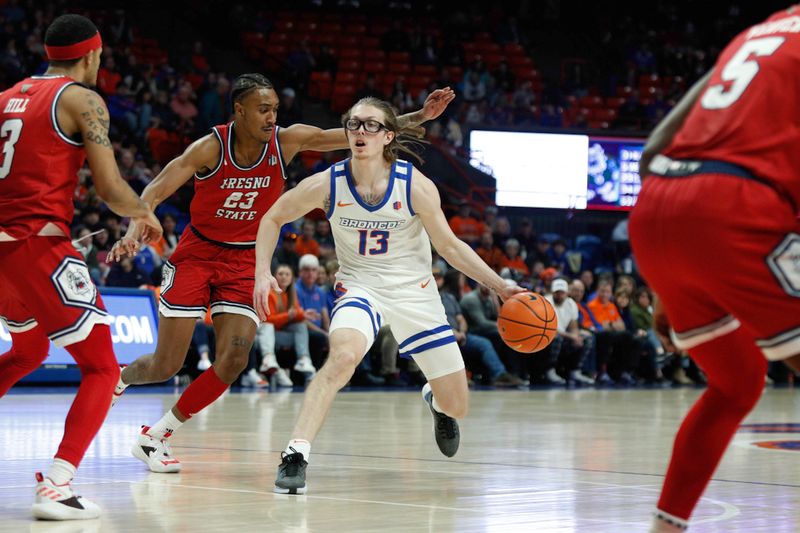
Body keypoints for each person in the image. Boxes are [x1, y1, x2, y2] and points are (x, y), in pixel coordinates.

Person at [109, 74, 455, 474]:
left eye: (275, 108)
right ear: (239, 111)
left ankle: (155, 437)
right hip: (198, 254)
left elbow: (348, 136)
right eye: (263, 109)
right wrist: (136, 226)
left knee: (235, 358)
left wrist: (421, 116)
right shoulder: (210, 147)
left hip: (245, 261)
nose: (272, 116)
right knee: (165, 365)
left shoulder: (286, 141)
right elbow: (154, 189)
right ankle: (120, 378)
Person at [253, 96, 524, 495]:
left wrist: (500, 286)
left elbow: (448, 246)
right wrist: (261, 270)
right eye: (353, 124)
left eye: (370, 126)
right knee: (342, 357)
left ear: (388, 136)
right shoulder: (328, 183)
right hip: (360, 285)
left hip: (414, 290)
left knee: (458, 405)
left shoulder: (414, 184)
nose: (360, 132)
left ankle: (435, 399)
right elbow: (273, 216)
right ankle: (296, 453)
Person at [629, 6, 800, 531]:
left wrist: (671, 276)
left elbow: (655, 146)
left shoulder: (762, 31)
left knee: (737, 382)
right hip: (735, 208)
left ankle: (666, 525)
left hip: (658, 208)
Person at [0, 14, 162, 520]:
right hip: (39, 247)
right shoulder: (81, 99)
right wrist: (145, 214)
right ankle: (58, 483)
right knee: (102, 366)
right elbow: (112, 191)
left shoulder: (5, 97)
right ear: (91, 54)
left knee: (28, 349)